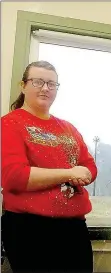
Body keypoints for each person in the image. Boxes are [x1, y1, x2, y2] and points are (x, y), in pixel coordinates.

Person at [1, 61, 97, 273]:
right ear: (23, 85)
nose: (45, 88)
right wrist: (70, 173)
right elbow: (14, 176)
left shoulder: (68, 128)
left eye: (51, 84)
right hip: (30, 230)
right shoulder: (10, 124)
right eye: (38, 82)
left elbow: (89, 166)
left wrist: (83, 174)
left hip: (74, 228)